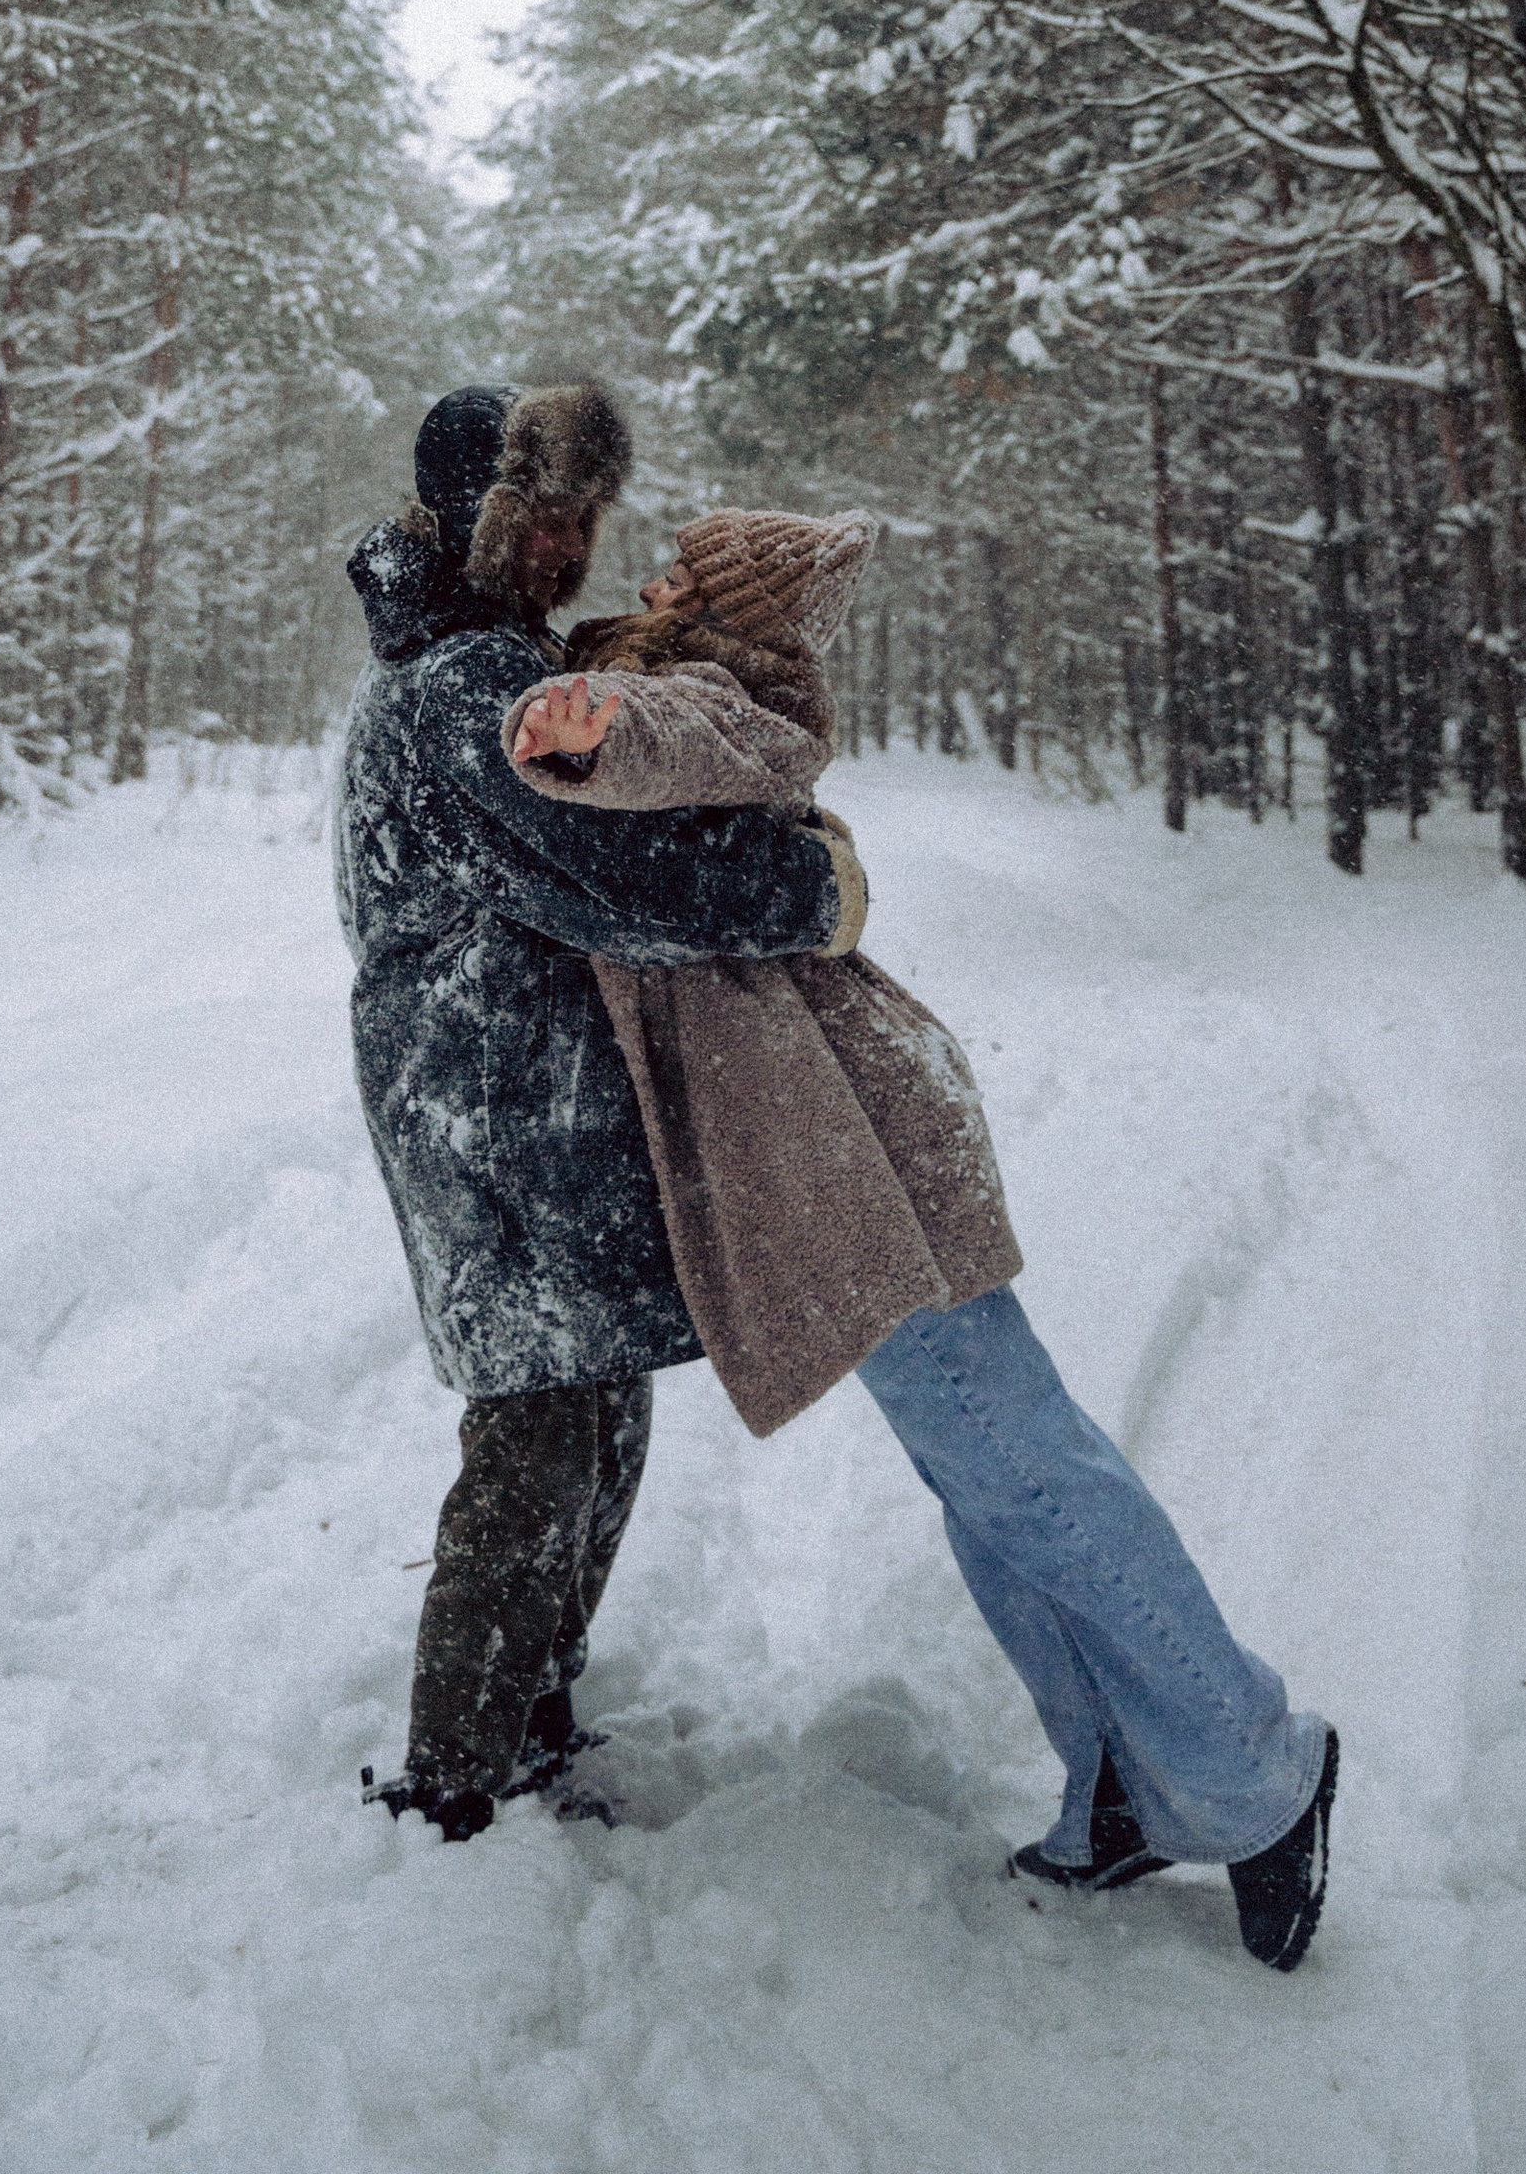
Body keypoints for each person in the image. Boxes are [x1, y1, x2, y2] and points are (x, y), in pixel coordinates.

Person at [507, 505, 1341, 1972]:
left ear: (733, 609)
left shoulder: (738, 695)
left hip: (852, 1153)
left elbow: (695, 733)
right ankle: (1120, 1789)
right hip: (851, 1142)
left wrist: (594, 727)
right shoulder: (676, 678)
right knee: (993, 1483)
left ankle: (1261, 1772)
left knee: (1028, 1471)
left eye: (683, 575)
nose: (651, 583)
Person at [335, 384, 863, 1843]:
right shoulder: (459, 696)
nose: (567, 544)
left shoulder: (494, 663)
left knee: (593, 1409)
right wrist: (813, 891)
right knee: (537, 1431)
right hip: (487, 1106)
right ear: (468, 524)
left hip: (538, 1101)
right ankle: (455, 1776)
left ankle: (535, 1700)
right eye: (537, 517)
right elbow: (617, 876)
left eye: (583, 518)